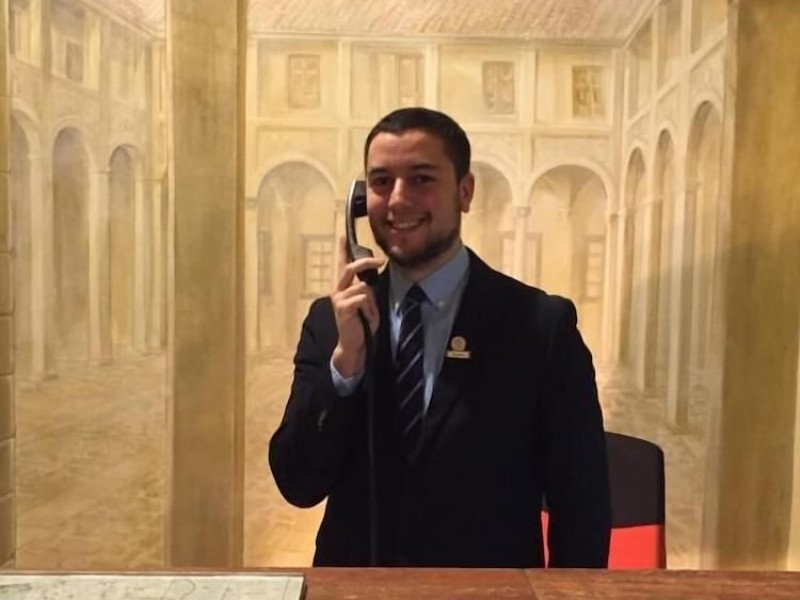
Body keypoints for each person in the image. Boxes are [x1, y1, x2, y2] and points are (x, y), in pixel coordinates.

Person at [269, 107, 611, 568]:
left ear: (464, 192)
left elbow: (582, 505)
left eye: (421, 179)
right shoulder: (332, 323)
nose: (397, 200)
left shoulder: (540, 327)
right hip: (356, 590)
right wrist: (346, 365)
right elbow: (297, 482)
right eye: (381, 181)